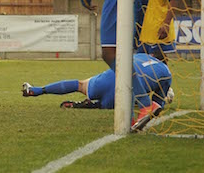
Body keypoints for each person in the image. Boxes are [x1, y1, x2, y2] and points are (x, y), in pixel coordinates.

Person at [22, 53, 172, 132]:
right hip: (122, 96)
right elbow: (156, 106)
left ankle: (37, 90)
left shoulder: (141, 55)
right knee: (134, 98)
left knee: (79, 84)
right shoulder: (166, 73)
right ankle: (95, 105)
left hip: (108, 79)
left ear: (152, 56)